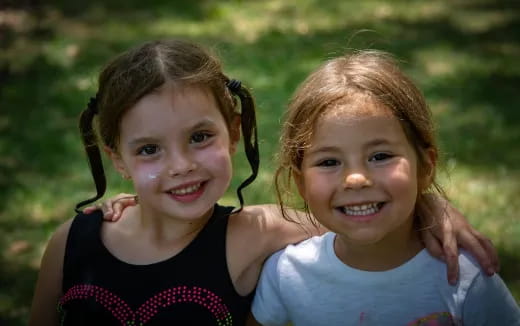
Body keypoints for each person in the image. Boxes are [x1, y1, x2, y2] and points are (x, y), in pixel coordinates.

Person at [28, 39, 498, 326]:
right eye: (149, 150)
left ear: (234, 133)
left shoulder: (260, 233)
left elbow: (367, 213)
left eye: (199, 137)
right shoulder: (71, 242)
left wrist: (432, 207)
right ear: (119, 159)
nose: (180, 166)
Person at [251, 50, 520, 325]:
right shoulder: (286, 275)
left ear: (425, 167)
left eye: (380, 156)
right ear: (301, 183)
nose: (356, 178)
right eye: (329, 161)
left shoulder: (465, 276)